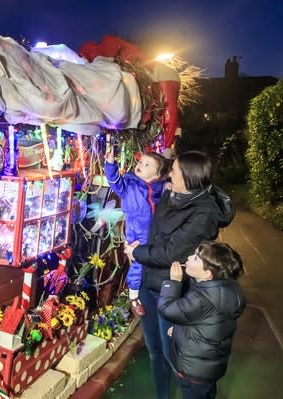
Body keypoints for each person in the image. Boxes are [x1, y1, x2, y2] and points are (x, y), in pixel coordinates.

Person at [124, 151, 233, 399]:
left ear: (188, 178)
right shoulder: (172, 193)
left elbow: (171, 252)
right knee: (155, 350)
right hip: (148, 284)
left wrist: (137, 252)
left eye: (173, 170)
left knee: (176, 357)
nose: (169, 173)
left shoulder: (204, 213)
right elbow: (153, 229)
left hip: (174, 292)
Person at [159, 242, 245, 399]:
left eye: (196, 258)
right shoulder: (227, 289)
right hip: (208, 368)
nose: (189, 258)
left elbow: (167, 309)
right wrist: (179, 329)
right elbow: (206, 324)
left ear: (207, 274)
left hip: (194, 371)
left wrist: (174, 282)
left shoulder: (203, 298)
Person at [104, 149, 169, 317]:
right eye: (141, 162)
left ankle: (149, 289)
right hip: (136, 232)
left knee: (151, 261)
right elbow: (114, 180)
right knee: (138, 262)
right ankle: (133, 296)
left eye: (147, 165)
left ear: (157, 175)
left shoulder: (160, 187)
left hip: (155, 232)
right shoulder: (129, 184)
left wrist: (169, 187)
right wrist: (111, 164)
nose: (140, 165)